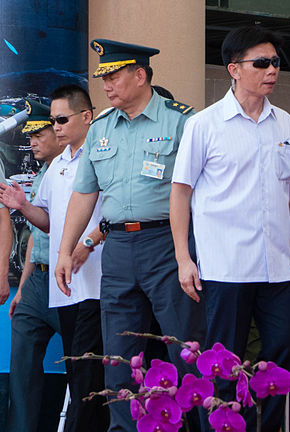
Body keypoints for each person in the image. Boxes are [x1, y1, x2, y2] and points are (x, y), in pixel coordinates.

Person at [54, 39, 206, 432]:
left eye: (114, 75)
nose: (106, 85)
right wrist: (66, 250)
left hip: (166, 245)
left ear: (140, 75)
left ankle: (200, 425)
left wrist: (187, 253)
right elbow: (85, 193)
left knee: (184, 349)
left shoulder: (182, 121)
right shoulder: (101, 128)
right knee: (119, 358)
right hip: (118, 249)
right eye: (103, 77)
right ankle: (122, 428)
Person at [171, 26, 290, 431]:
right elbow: (180, 195)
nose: (272, 71)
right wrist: (183, 257)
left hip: (279, 266)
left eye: (276, 63)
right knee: (225, 360)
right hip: (225, 266)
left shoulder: (283, 122)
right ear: (234, 69)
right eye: (261, 63)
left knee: (284, 352)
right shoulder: (204, 125)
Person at [1, 86, 108, 432]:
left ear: (86, 117)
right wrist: (23, 206)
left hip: (97, 280)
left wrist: (88, 242)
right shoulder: (57, 167)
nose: (56, 127)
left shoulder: (102, 156)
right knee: (72, 369)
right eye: (53, 121)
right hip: (58, 282)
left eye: (61, 120)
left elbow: (120, 212)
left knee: (89, 371)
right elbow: (47, 223)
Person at [6, 100, 62, 432]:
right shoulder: (40, 174)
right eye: (30, 136)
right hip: (36, 282)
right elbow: (34, 240)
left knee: (84, 369)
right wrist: (23, 289)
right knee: (22, 373)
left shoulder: (78, 170)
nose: (33, 142)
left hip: (68, 281)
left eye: (39, 134)